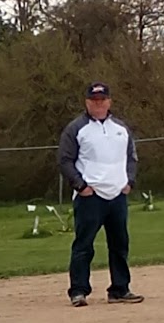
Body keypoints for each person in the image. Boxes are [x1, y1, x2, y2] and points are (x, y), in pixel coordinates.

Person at [58, 82, 144, 305]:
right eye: (94, 100)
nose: (99, 104)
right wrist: (81, 186)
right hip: (90, 197)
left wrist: (129, 182)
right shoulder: (76, 129)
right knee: (84, 245)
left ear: (109, 101)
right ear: (87, 102)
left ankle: (119, 289)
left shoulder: (121, 128)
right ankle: (78, 291)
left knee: (119, 244)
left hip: (117, 196)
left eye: (102, 100)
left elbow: (131, 157)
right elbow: (65, 160)